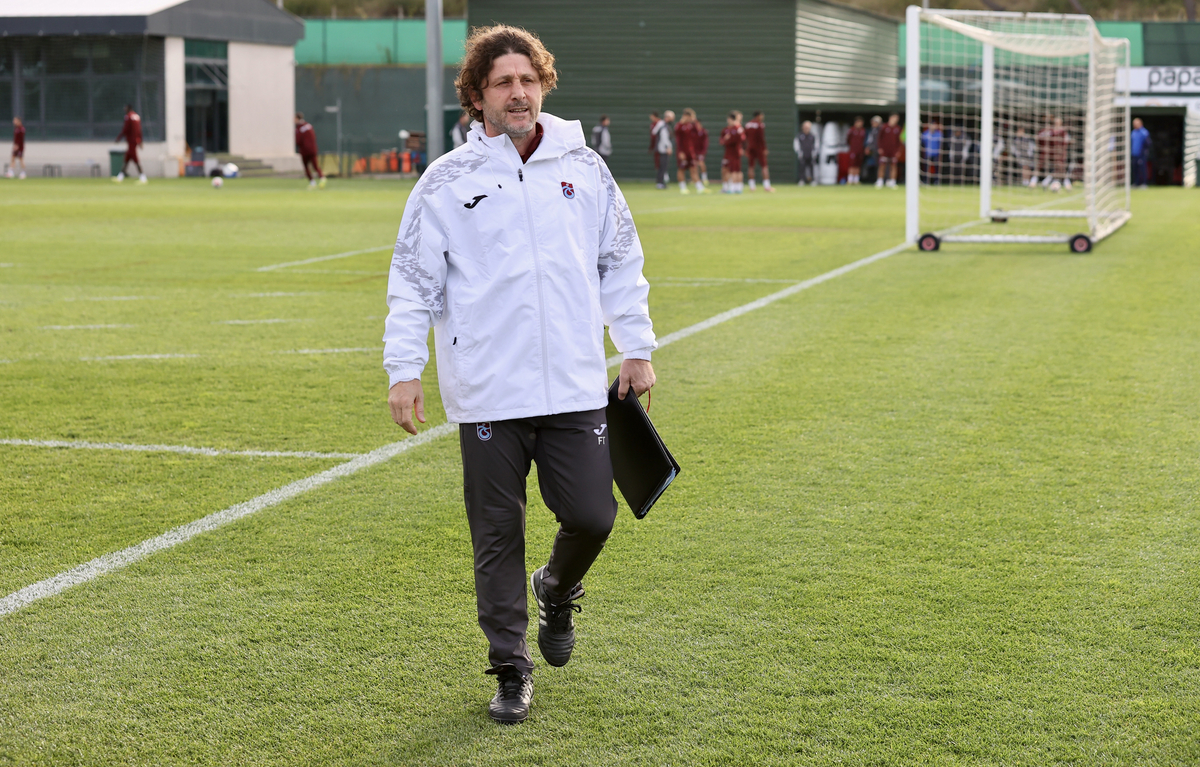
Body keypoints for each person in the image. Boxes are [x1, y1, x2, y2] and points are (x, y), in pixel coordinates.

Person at [384, 24, 656, 726]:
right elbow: (412, 280)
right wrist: (404, 368)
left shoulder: (585, 168)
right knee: (497, 537)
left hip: (572, 383)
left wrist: (635, 345)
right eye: (503, 82)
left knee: (593, 515)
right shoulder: (446, 181)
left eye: (528, 79)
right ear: (476, 95)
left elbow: (620, 259)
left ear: (544, 85)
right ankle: (510, 669)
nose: (518, 92)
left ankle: (556, 588)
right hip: (488, 391)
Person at [674, 108, 706, 194]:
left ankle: (700, 188)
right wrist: (680, 151)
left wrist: (694, 121)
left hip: (690, 151)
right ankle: (683, 188)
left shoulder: (691, 125)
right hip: (682, 151)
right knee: (681, 169)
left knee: (694, 169)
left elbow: (698, 131)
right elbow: (678, 140)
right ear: (686, 116)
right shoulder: (679, 126)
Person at [113, 105, 147, 184]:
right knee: (127, 158)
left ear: (128, 109)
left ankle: (143, 177)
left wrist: (119, 138)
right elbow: (139, 130)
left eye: (125, 108)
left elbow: (125, 129)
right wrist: (140, 141)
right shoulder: (137, 116)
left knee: (134, 158)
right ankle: (120, 176)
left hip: (131, 141)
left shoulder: (128, 117)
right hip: (136, 140)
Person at [743, 110, 773, 191]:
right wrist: (764, 148)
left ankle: (752, 186)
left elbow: (744, 138)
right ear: (758, 116)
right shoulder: (760, 125)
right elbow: (761, 138)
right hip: (759, 148)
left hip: (750, 148)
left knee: (751, 166)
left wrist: (745, 148)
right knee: (764, 166)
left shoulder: (748, 124)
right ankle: (767, 186)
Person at [294, 113, 325, 189]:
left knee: (306, 167)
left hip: (305, 150)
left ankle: (312, 182)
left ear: (297, 119)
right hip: (313, 149)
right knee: (315, 166)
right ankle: (322, 178)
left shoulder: (299, 129)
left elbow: (298, 141)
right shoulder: (309, 125)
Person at [720, 111, 745, 193]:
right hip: (728, 153)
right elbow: (722, 141)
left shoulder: (738, 128)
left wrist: (727, 140)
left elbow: (741, 139)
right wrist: (725, 140)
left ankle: (735, 187)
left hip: (734, 153)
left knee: (735, 170)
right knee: (726, 169)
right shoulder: (727, 129)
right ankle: (728, 187)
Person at [876, 113, 901, 188]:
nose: (895, 120)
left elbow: (899, 141)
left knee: (893, 166)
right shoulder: (884, 127)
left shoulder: (898, 128)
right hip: (884, 150)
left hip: (893, 150)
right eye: (894, 118)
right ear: (890, 118)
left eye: (897, 119)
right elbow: (879, 138)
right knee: (882, 165)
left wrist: (898, 150)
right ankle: (880, 181)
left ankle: (892, 181)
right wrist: (880, 148)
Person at [649, 111, 673, 189]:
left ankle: (661, 182)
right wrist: (667, 147)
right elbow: (664, 137)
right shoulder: (663, 125)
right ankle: (660, 183)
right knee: (662, 166)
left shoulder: (661, 124)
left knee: (662, 166)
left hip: (660, 148)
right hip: (662, 149)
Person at [794, 120, 818, 186]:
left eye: (808, 127)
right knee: (802, 167)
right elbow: (796, 144)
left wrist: (814, 152)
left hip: (810, 154)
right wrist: (799, 152)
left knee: (812, 167)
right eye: (805, 127)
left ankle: (813, 180)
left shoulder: (813, 136)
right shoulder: (799, 135)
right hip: (803, 154)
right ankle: (802, 180)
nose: (807, 129)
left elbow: (816, 144)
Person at [920, 119, 942, 185]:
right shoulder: (925, 134)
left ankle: (936, 181)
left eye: (935, 125)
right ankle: (925, 180)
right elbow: (923, 144)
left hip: (936, 154)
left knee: (936, 168)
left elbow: (941, 145)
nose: (933, 126)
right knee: (926, 168)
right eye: (932, 125)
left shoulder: (939, 134)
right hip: (927, 154)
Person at [1130, 117, 1150, 188]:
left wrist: (1143, 152)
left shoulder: (1144, 132)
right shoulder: (1133, 132)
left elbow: (1148, 143)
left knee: (1142, 169)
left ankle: (1144, 183)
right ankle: (1136, 183)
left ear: (1140, 124)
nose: (1135, 125)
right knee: (1135, 169)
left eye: (1136, 123)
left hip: (1142, 154)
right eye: (1134, 123)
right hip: (1134, 154)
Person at [846, 116, 866, 185]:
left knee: (858, 165)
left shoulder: (863, 130)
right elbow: (848, 140)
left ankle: (856, 180)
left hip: (860, 150)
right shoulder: (851, 130)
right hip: (853, 150)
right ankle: (850, 179)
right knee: (852, 164)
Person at [863, 115, 882, 185]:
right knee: (872, 165)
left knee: (880, 165)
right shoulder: (871, 130)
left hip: (878, 149)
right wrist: (867, 147)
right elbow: (869, 140)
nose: (873, 123)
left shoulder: (881, 130)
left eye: (875, 122)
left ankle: (880, 179)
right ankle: (872, 179)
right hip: (872, 150)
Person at [694, 117, 710, 186]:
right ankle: (696, 179)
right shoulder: (693, 132)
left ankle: (704, 178)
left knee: (701, 163)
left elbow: (705, 143)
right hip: (694, 152)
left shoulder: (703, 132)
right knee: (694, 165)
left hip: (701, 151)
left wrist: (703, 152)